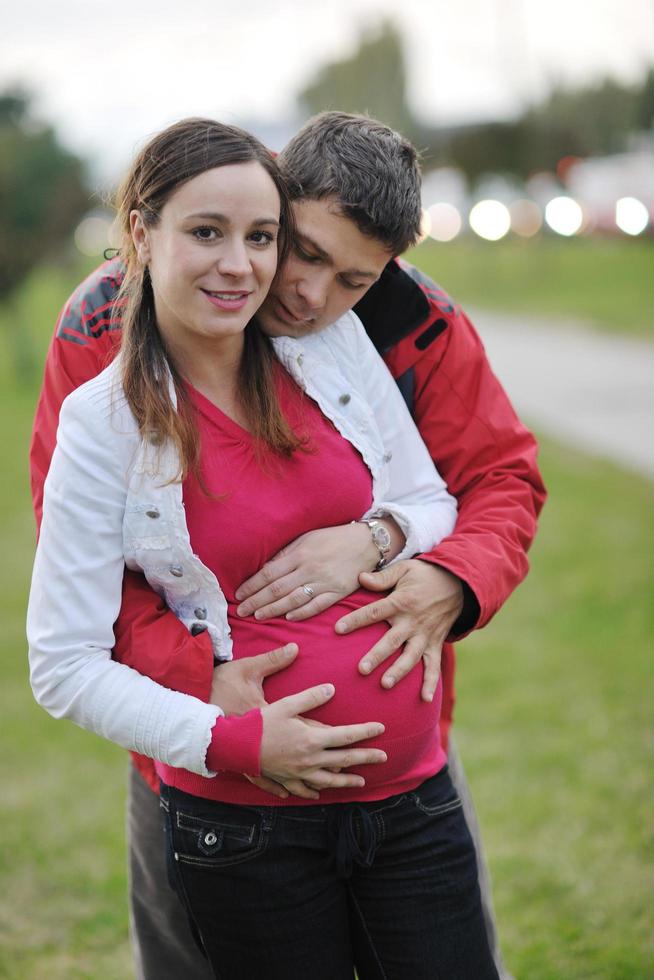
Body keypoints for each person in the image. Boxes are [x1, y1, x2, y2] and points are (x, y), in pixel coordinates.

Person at [29, 113, 545, 980]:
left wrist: (436, 573)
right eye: (298, 249)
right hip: (206, 760)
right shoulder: (102, 335)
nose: (306, 292)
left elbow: (495, 480)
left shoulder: (404, 324)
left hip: (405, 774)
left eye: (351, 277)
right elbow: (82, 563)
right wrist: (203, 684)